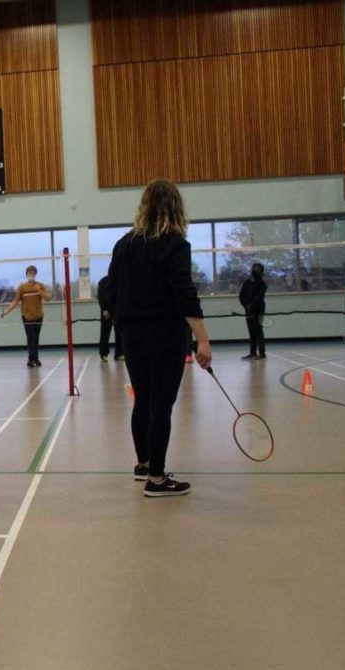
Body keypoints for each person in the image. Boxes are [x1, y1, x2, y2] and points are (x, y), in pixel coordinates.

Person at [104, 179, 212, 497]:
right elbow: (184, 293)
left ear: (144, 206)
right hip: (166, 335)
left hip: (133, 337)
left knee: (144, 399)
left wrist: (122, 322)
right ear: (176, 207)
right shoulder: (176, 243)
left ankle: (144, 464)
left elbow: (108, 288)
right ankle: (157, 479)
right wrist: (202, 340)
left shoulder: (124, 244)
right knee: (161, 405)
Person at [1, 265, 51, 367]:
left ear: (35, 274)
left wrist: (40, 291)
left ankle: (36, 358)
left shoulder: (40, 285)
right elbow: (15, 301)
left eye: (33, 273)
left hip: (38, 316)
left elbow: (48, 298)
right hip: (27, 317)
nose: (31, 275)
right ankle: (30, 359)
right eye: (29, 273)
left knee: (36, 338)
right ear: (26, 274)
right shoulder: (22, 287)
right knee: (31, 337)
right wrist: (6, 311)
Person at [239, 262, 267, 360]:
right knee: (251, 332)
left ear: (261, 272)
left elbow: (259, 297)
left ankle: (262, 353)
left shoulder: (263, 284)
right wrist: (246, 306)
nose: (255, 270)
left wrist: (252, 306)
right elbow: (241, 295)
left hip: (258, 310)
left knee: (258, 330)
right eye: (254, 268)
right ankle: (253, 352)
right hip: (248, 311)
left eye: (258, 269)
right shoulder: (247, 282)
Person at [96, 275, 123, 363]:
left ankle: (119, 353)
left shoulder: (119, 281)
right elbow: (100, 297)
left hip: (117, 310)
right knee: (105, 333)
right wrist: (104, 309)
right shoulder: (102, 282)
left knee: (119, 333)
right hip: (106, 311)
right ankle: (103, 354)